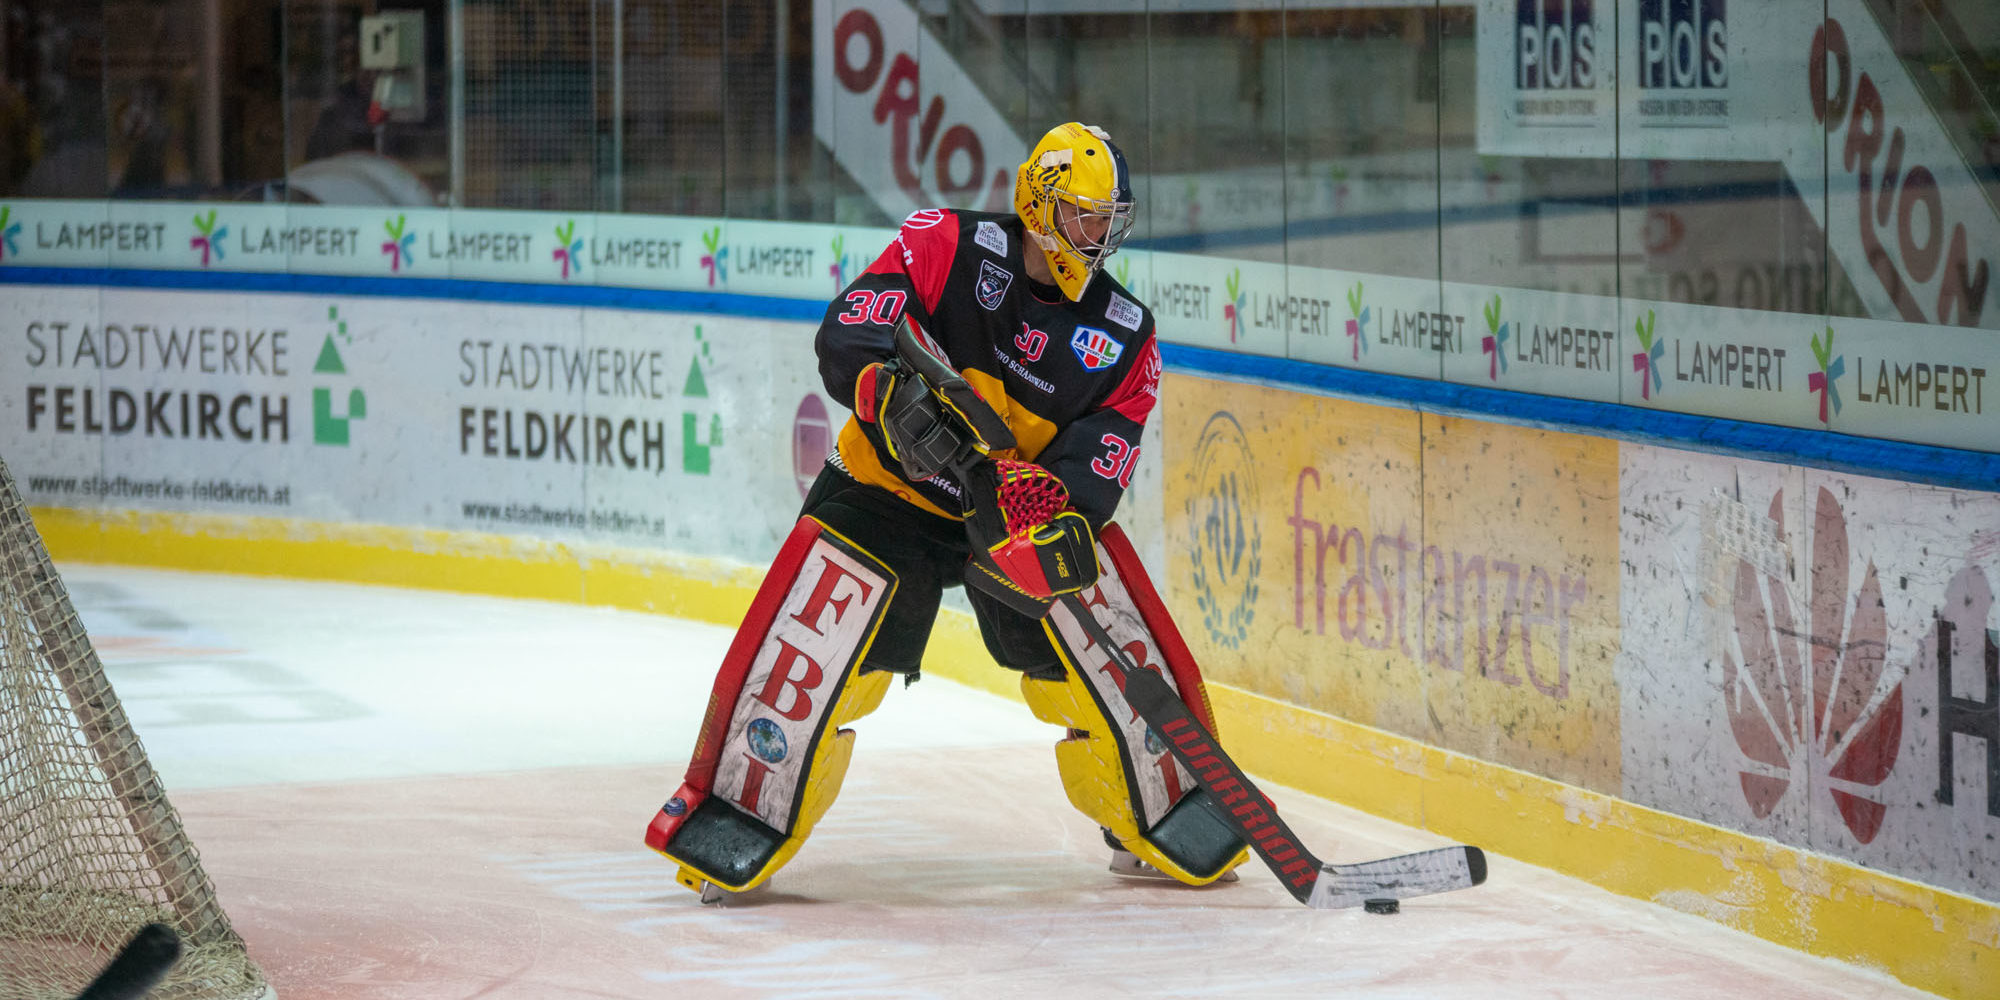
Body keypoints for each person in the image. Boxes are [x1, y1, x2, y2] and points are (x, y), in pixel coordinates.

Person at [644, 123, 1247, 901]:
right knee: (824, 643)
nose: (1099, 237)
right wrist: (886, 394)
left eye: (1109, 221)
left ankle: (1157, 806)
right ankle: (741, 807)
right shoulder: (946, 245)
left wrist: (1049, 507)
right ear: (1040, 204)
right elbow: (849, 330)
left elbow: (1098, 472)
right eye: (1085, 217)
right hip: (886, 493)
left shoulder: (1126, 339)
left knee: (1094, 631)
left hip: (1011, 525)